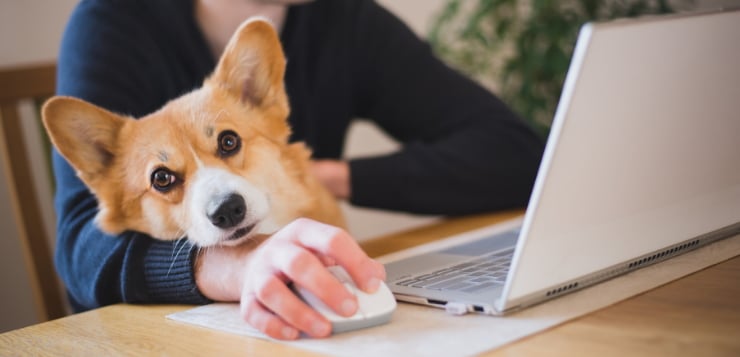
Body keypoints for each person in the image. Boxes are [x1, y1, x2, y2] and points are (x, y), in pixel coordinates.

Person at [53, 0, 544, 340]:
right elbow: (79, 245)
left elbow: (516, 155)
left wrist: (318, 174)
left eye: (229, 143)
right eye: (166, 179)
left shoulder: (344, 19)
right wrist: (231, 267)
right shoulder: (112, 24)